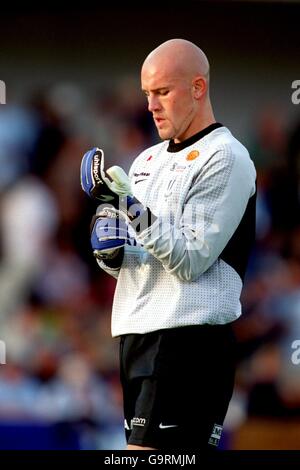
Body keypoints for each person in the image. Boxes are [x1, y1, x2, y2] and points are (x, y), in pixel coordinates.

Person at [80, 38, 256, 450]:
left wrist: (124, 201)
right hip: (137, 335)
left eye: (163, 92)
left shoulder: (226, 156)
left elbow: (191, 258)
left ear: (198, 88)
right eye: (147, 94)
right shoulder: (145, 161)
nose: (151, 105)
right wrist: (110, 252)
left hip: (187, 340)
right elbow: (142, 254)